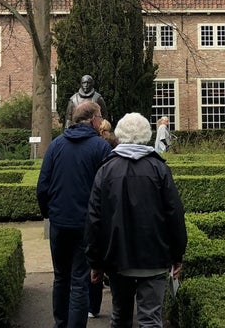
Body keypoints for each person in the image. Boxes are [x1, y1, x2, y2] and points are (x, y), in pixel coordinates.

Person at [86, 112, 187, 328]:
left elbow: (95, 219)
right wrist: (177, 254)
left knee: (120, 316)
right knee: (150, 319)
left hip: (117, 258)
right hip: (154, 257)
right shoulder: (159, 168)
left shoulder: (106, 169)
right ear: (146, 135)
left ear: (120, 135)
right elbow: (175, 214)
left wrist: (95, 262)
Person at [36, 101, 112, 328]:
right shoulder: (101, 147)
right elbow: (108, 190)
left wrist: (49, 213)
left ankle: (60, 324)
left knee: (60, 278)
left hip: (59, 222)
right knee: (80, 280)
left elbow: (42, 186)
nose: (100, 122)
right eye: (99, 117)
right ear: (93, 119)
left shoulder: (56, 145)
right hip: (86, 225)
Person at [88, 119, 118, 319]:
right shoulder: (114, 150)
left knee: (95, 258)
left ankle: (93, 307)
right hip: (112, 211)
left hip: (96, 207)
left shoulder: (94, 148)